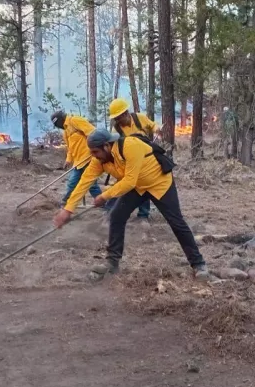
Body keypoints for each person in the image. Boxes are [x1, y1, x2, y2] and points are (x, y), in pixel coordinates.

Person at [53, 128, 210, 281]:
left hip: (159, 183)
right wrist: (68, 209)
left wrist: (104, 196)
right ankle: (112, 263)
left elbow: (129, 181)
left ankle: (198, 264)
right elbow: (84, 183)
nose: (94, 156)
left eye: (95, 152)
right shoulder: (99, 160)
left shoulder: (130, 146)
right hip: (138, 188)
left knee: (176, 222)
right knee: (116, 216)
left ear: (106, 145)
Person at [108, 98, 158, 220]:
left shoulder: (139, 118)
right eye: (115, 119)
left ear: (125, 113)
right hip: (128, 161)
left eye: (118, 118)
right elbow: (114, 148)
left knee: (144, 185)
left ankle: (143, 215)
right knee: (122, 184)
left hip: (146, 159)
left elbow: (153, 125)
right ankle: (111, 211)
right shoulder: (116, 130)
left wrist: (158, 129)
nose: (117, 121)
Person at [50, 110, 102, 205]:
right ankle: (67, 202)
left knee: (91, 184)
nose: (58, 127)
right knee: (72, 183)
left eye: (57, 124)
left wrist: (95, 150)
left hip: (88, 158)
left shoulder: (74, 121)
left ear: (60, 120)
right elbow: (70, 148)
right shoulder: (66, 132)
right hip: (78, 162)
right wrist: (68, 160)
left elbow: (92, 133)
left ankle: (103, 203)